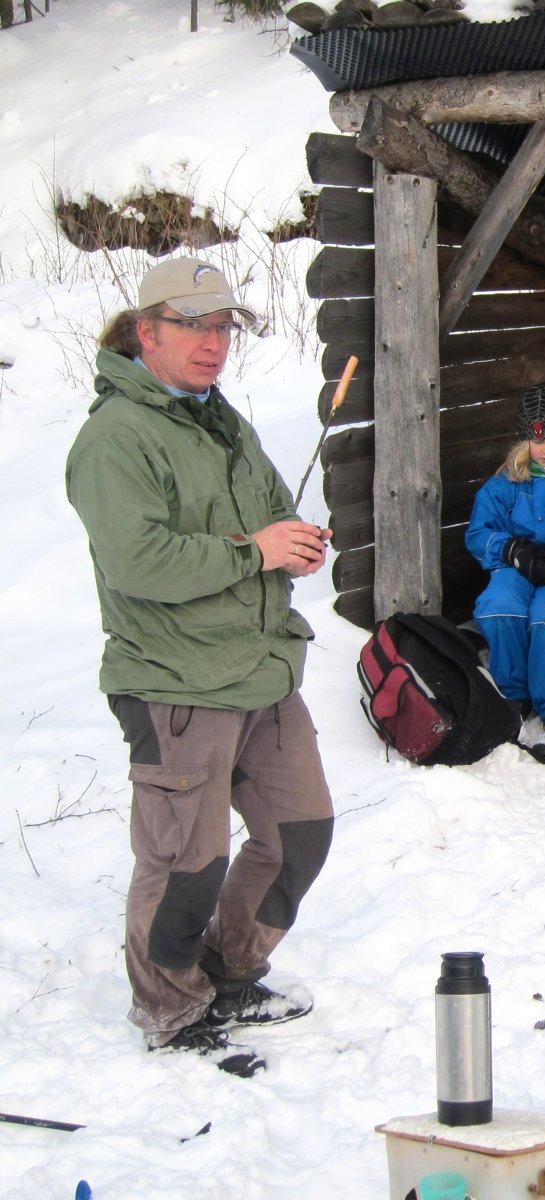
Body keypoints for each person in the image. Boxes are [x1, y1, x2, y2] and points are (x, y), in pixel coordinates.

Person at [64, 258, 335, 1077]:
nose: (213, 343)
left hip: (260, 670)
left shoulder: (220, 420)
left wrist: (289, 540)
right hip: (176, 681)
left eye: (222, 328)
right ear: (146, 331)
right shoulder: (116, 436)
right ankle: (170, 1003)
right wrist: (253, 552)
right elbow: (136, 560)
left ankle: (229, 970)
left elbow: (259, 517)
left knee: (301, 834)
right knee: (186, 858)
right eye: (193, 325)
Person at [464, 383, 545, 727]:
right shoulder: (505, 484)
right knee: (500, 607)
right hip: (515, 565)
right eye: (538, 440)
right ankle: (512, 694)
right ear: (524, 441)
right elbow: (478, 532)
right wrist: (510, 548)